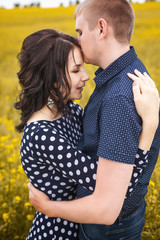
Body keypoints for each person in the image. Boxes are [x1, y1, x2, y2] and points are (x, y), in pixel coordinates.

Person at [28, 0, 160, 239]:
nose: (77, 39)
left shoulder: (117, 97)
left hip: (106, 226)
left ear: (101, 28)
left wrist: (47, 208)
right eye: (75, 70)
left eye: (79, 31)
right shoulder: (124, 73)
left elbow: (110, 201)